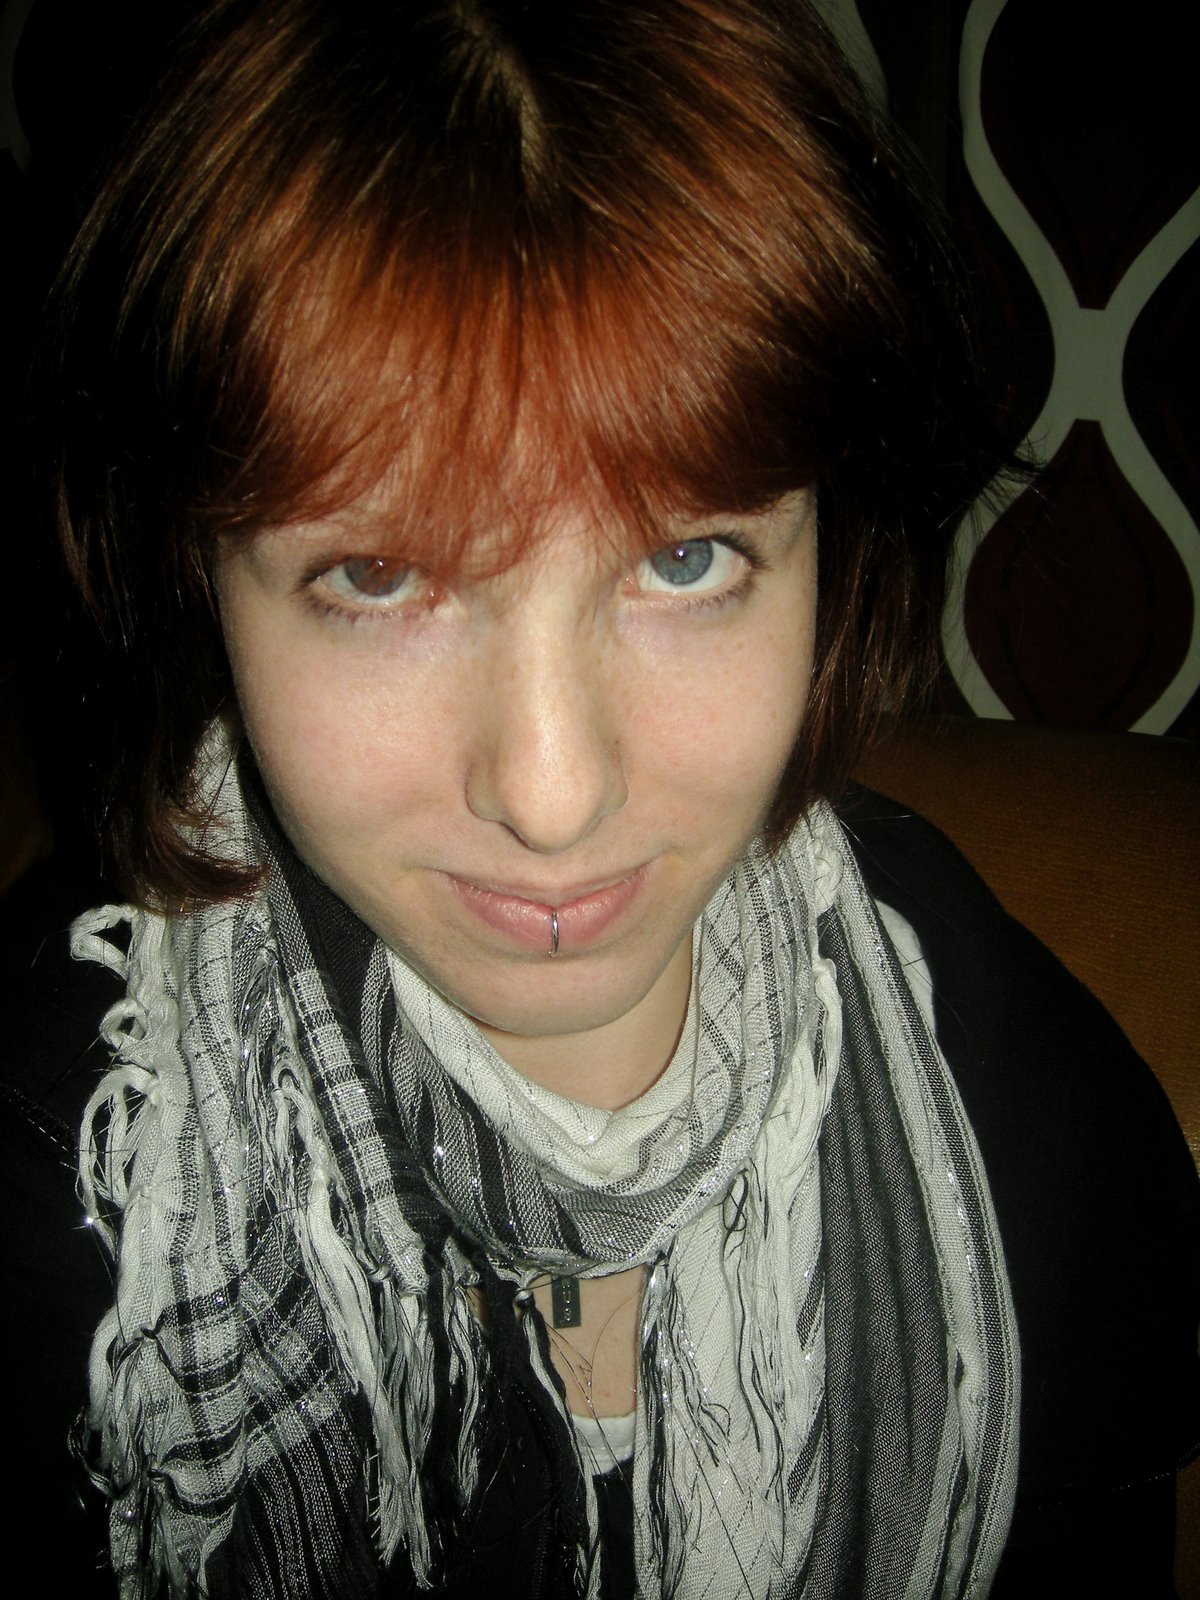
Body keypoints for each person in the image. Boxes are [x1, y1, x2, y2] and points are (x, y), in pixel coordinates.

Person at [6, 1, 1197, 1595]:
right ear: (199, 575)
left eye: (685, 559)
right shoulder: (38, 1172)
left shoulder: (1038, 1137)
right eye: (379, 576)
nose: (555, 795)